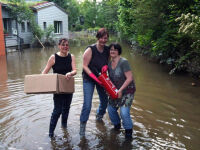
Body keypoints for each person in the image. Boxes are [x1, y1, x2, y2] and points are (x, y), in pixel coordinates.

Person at [42, 38, 77, 138]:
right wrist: (43, 84)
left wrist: (70, 73)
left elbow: (75, 70)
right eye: (63, 45)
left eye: (67, 45)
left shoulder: (71, 56)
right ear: (59, 46)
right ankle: (51, 134)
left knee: (66, 109)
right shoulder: (53, 58)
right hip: (57, 89)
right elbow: (44, 73)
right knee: (57, 110)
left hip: (68, 87)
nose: (65, 47)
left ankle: (64, 128)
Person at [80, 28, 110, 137]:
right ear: (98, 37)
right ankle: (82, 129)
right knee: (87, 105)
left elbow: (110, 63)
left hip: (101, 78)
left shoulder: (107, 50)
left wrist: (106, 68)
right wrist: (95, 78)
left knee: (105, 101)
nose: (103, 40)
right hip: (89, 78)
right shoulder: (90, 49)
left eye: (105, 38)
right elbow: (84, 66)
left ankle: (99, 116)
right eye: (101, 37)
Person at [107, 43, 136, 139]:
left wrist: (120, 90)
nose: (112, 51)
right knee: (111, 110)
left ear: (119, 51)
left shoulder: (124, 62)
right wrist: (109, 90)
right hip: (116, 91)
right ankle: (117, 127)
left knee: (124, 112)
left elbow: (129, 78)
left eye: (115, 49)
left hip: (127, 91)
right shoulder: (109, 64)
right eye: (111, 49)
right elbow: (109, 80)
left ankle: (128, 134)